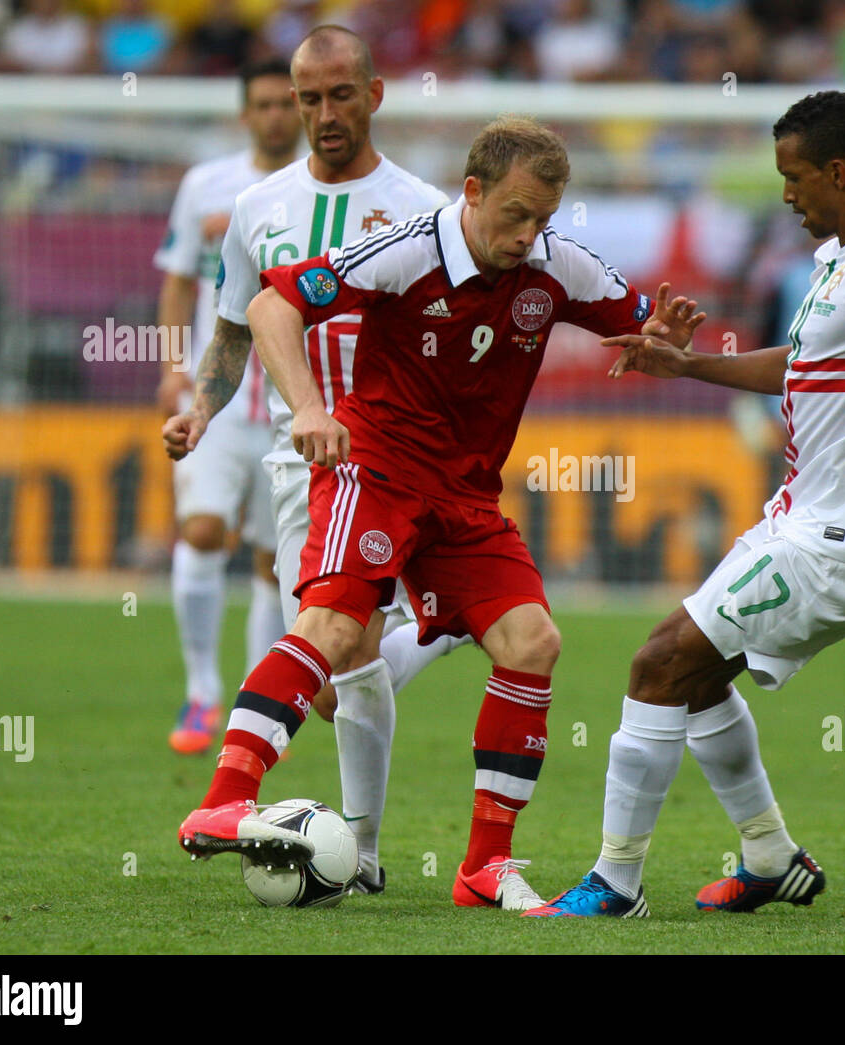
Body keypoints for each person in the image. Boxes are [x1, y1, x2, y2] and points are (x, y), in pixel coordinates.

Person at [175, 112, 705, 911]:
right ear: (472, 192)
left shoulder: (559, 265)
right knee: (338, 631)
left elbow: (641, 325)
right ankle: (224, 795)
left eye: (544, 219)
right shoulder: (404, 249)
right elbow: (270, 308)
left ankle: (483, 865)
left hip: (464, 496)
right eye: (515, 215)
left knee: (533, 641)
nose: (529, 235)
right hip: (375, 469)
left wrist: (660, 343)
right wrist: (311, 408)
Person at [525, 90, 845, 918]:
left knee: (658, 662)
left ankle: (616, 882)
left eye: (796, 176)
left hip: (841, 538)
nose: (787, 194)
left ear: (840, 172)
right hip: (799, 517)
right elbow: (799, 367)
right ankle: (772, 857)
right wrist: (686, 366)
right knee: (698, 678)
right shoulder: (840, 261)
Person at [163, 26, 464, 895]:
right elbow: (230, 332)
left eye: (340, 95)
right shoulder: (259, 207)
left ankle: (360, 851)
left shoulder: (424, 208)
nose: (324, 115)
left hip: (397, 455)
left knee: (337, 647)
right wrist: (200, 411)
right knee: (342, 673)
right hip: (305, 465)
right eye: (308, 99)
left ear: (374, 95)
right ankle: (440, 630)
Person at [155, 57, 300, 755]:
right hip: (213, 391)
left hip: (287, 402)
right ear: (245, 113)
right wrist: (169, 368)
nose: (277, 114)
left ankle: (255, 702)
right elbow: (179, 280)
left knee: (276, 562)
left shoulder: (318, 191)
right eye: (264, 103)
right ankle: (200, 691)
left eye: (286, 103)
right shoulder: (204, 185)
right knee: (204, 529)